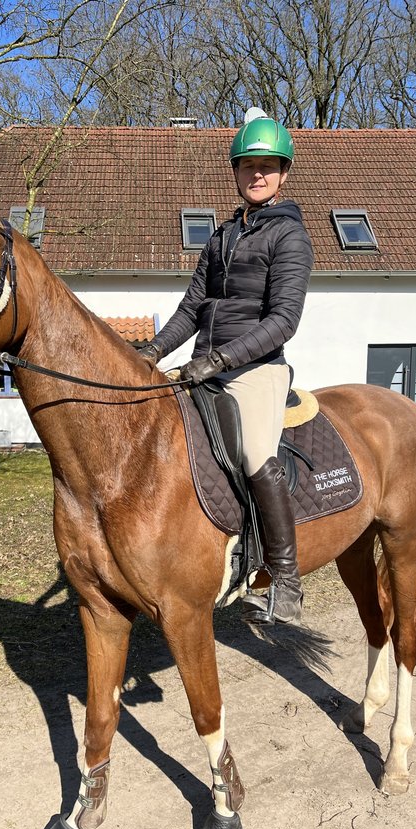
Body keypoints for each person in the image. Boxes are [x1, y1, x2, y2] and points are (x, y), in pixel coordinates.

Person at [136, 108, 313, 625]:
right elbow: (191, 309)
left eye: (268, 166)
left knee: (257, 455)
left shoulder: (291, 238)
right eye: (248, 165)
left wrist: (221, 358)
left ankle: (284, 581)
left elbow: (284, 320)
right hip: (204, 366)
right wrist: (149, 353)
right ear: (235, 172)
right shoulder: (219, 238)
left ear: (283, 173)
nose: (257, 174)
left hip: (256, 368)